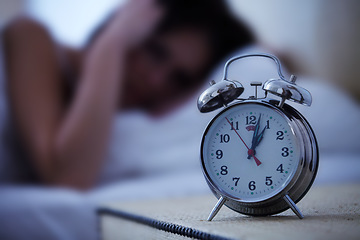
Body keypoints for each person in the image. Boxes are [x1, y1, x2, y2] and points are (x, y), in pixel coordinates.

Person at [1, 0, 254, 189]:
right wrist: (111, 44)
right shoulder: (31, 36)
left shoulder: (106, 122)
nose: (157, 81)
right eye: (155, 52)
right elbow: (68, 178)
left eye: (179, 78)